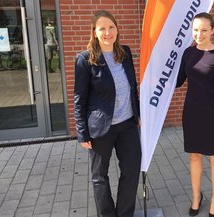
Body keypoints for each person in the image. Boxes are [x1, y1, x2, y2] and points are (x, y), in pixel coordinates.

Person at [74, 10, 141, 217]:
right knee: (100, 177)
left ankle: (124, 213)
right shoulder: (85, 60)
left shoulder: (125, 53)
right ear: (94, 32)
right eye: (102, 28)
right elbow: (79, 98)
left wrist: (137, 114)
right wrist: (82, 132)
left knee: (131, 172)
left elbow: (132, 86)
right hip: (102, 128)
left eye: (111, 27)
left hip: (128, 125)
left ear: (117, 29)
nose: (107, 32)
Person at [176, 12, 214, 217]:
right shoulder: (188, 54)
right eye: (196, 30)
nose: (199, 34)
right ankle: (196, 197)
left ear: (213, 30)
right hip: (191, 112)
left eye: (204, 30)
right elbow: (178, 81)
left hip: (213, 113)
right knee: (194, 156)